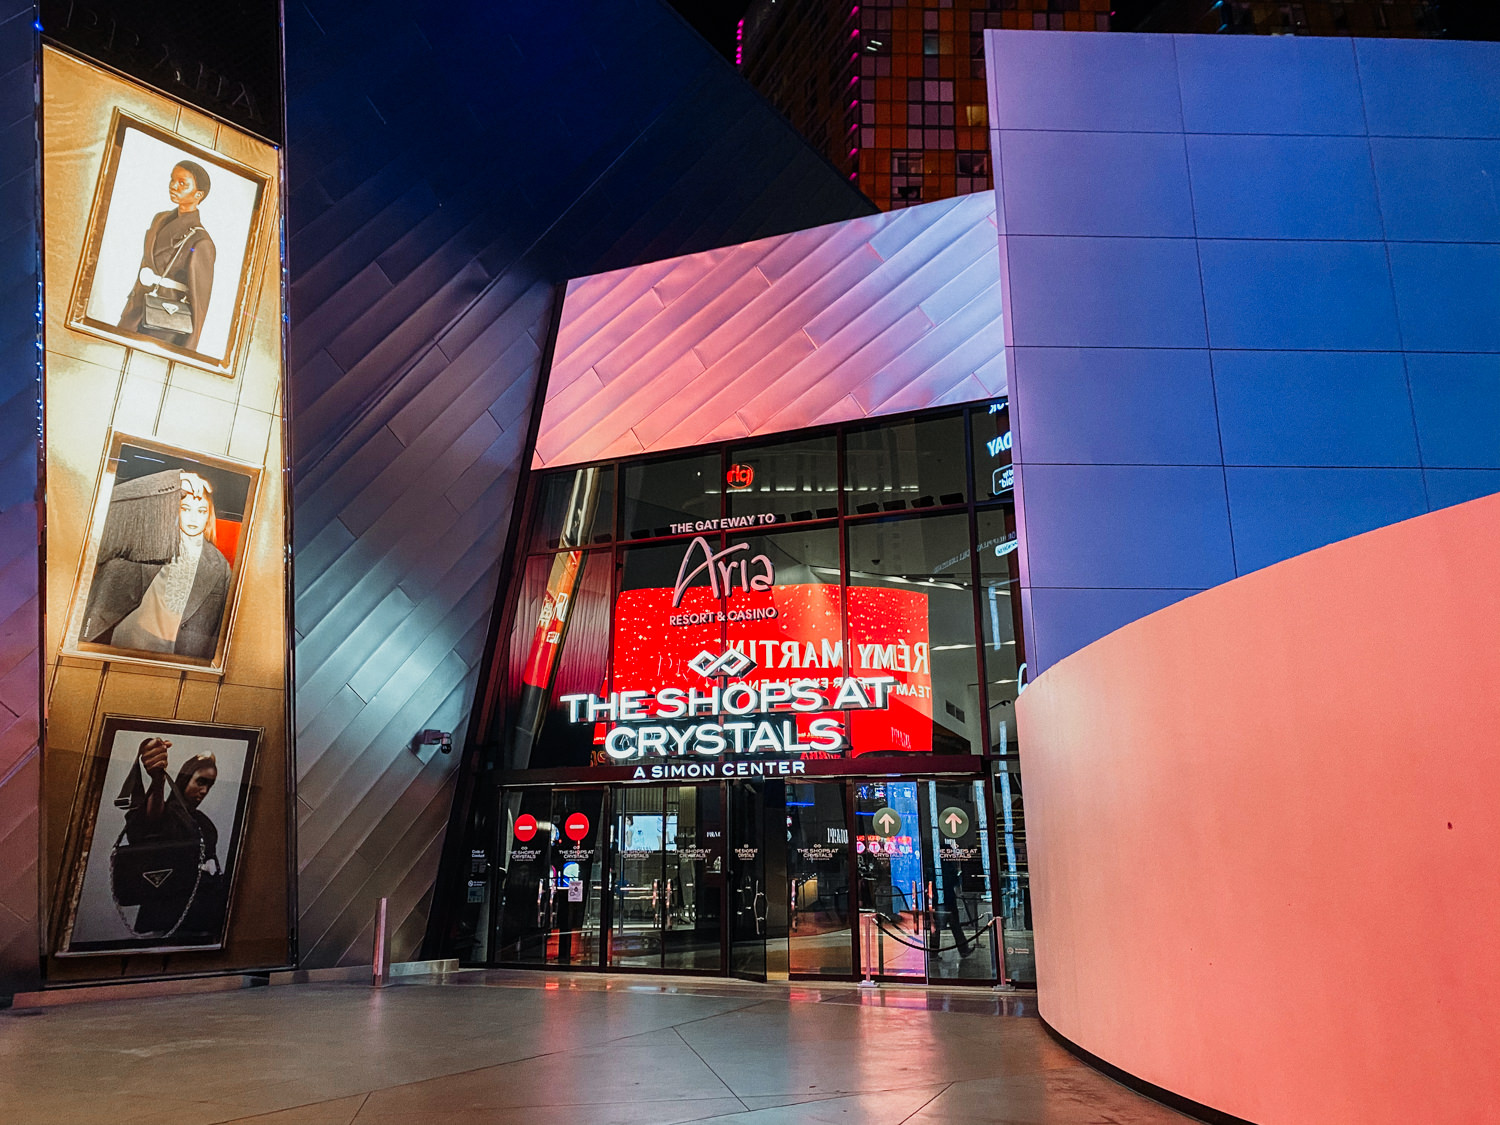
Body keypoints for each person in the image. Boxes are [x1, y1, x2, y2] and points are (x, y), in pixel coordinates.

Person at [80, 469, 231, 660]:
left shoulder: (220, 566)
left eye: (201, 511)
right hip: (127, 645)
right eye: (186, 509)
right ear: (174, 509)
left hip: (178, 658)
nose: (194, 518)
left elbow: (218, 628)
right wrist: (171, 481)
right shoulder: (146, 539)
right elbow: (108, 506)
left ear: (209, 515)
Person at [119, 737, 223, 938]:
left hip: (204, 921)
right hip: (165, 923)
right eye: (200, 782)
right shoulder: (167, 814)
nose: (204, 791)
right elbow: (151, 819)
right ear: (185, 779)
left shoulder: (205, 823)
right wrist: (157, 780)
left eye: (210, 785)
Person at [117, 160, 216, 352]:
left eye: (182, 183)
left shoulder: (201, 242)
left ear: (198, 194)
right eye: (172, 180)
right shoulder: (160, 219)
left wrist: (187, 350)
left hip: (165, 324)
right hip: (135, 310)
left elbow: (199, 305)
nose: (173, 186)